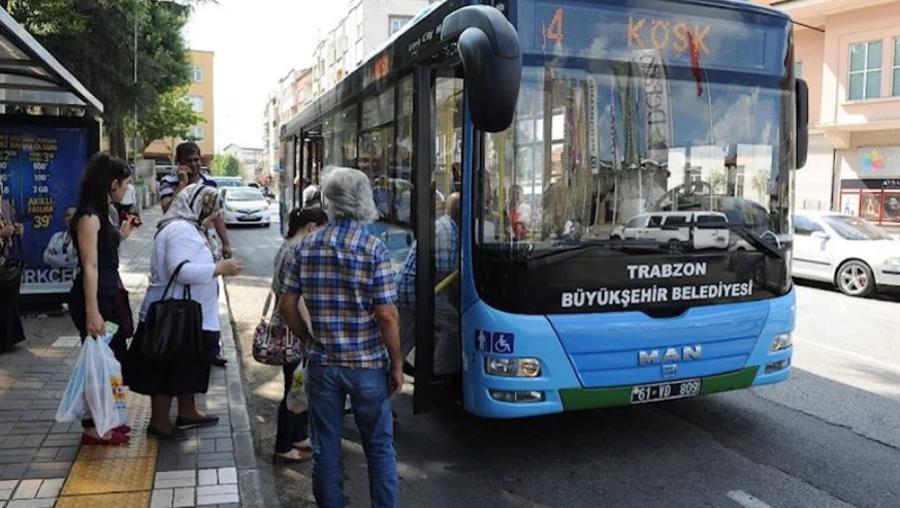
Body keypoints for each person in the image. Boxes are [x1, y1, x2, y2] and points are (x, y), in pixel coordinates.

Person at [280, 167, 402, 508]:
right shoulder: (374, 249)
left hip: (323, 365)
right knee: (378, 447)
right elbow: (386, 314)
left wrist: (307, 338)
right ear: (363, 200)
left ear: (328, 200)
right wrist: (396, 364)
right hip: (366, 366)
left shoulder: (304, 247)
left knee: (325, 448)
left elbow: (287, 303)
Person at [126, 184, 244, 440]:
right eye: (212, 212)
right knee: (167, 370)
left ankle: (187, 412)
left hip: (188, 315)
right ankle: (159, 423)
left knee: (185, 366)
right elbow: (180, 270)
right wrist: (219, 268)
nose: (214, 219)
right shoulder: (181, 230)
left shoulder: (188, 227)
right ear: (199, 206)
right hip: (176, 316)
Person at [68, 153, 135, 445]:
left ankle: (109, 418)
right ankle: (93, 427)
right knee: (97, 366)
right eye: (126, 183)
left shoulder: (104, 212)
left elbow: (106, 254)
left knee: (112, 360)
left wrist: (123, 234)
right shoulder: (89, 217)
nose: (128, 189)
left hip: (109, 296)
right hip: (96, 301)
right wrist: (92, 311)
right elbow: (90, 266)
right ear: (112, 183)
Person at [160, 142, 232, 367]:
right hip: (183, 241)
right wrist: (182, 184)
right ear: (179, 162)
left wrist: (225, 243)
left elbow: (217, 214)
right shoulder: (169, 182)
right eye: (189, 160)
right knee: (187, 292)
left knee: (210, 293)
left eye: (197, 159)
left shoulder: (208, 183)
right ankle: (186, 340)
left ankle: (211, 347)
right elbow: (167, 209)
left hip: (206, 243)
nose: (194, 164)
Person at [270, 207, 328, 464]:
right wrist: (310, 331)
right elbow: (299, 297)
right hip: (293, 329)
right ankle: (283, 446)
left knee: (297, 384)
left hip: (284, 325)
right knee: (294, 387)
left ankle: (298, 436)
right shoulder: (300, 250)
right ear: (313, 227)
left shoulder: (287, 246)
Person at [395, 192, 461, 375]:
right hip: (418, 291)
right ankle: (439, 373)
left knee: (400, 344)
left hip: (407, 290)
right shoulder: (448, 232)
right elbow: (443, 278)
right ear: (459, 213)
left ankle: (382, 381)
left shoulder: (443, 226)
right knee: (452, 324)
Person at [0, 197, 25, 352]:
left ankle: (9, 338)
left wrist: (15, 229)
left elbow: (11, 223)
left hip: (3, 255)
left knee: (7, 297)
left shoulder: (5, 205)